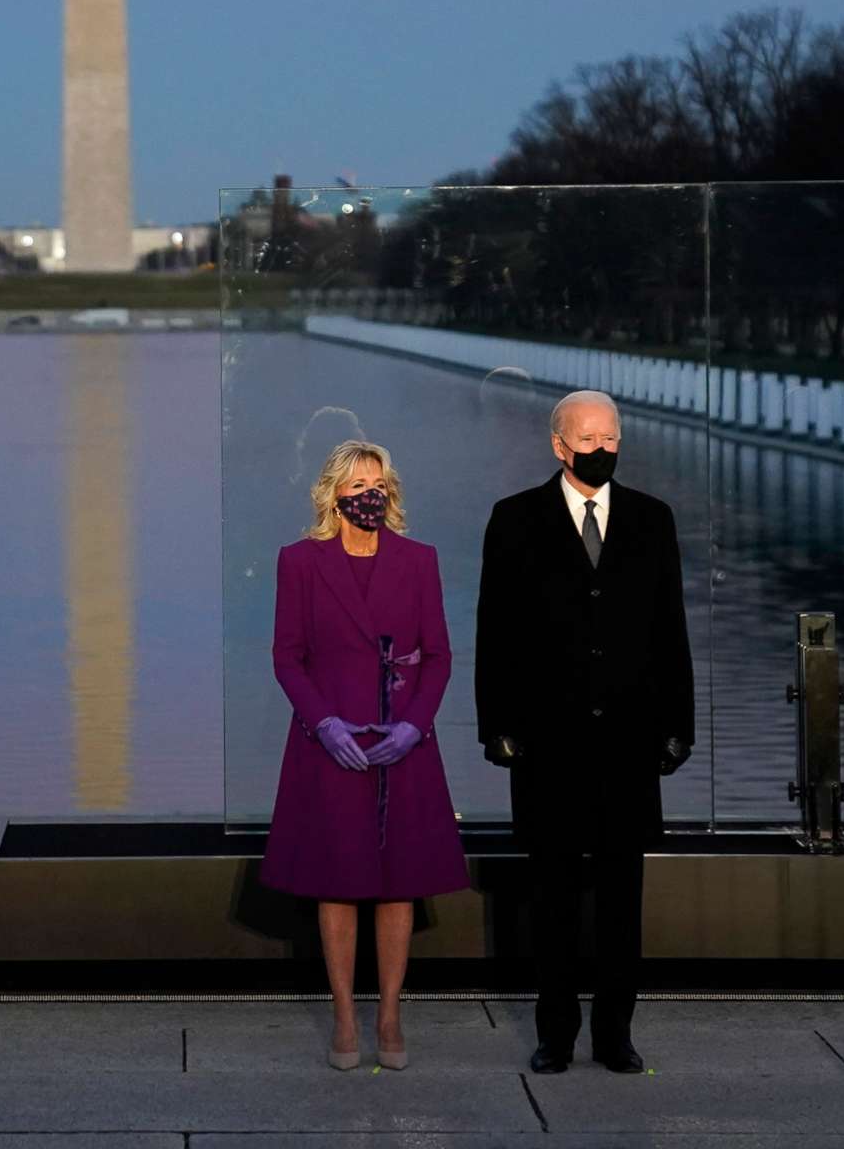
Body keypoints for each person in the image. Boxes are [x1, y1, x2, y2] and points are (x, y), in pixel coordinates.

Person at [475, 389, 693, 1076]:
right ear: (558, 445)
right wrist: (498, 726)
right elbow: (495, 634)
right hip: (548, 745)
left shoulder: (652, 520)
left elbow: (671, 632)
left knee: (622, 903)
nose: (600, 449)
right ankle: (556, 1034)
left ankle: (615, 1035)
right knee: (555, 901)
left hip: (629, 743)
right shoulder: (514, 520)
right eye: (587, 439)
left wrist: (677, 726)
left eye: (610, 438)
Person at [262, 440, 470, 1071]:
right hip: (333, 747)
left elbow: (438, 655)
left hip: (402, 744)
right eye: (356, 484)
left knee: (399, 884)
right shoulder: (299, 562)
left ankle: (391, 1015)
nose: (368, 495)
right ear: (333, 494)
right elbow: (286, 656)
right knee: (337, 881)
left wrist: (414, 726)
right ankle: (346, 1019)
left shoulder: (419, 560)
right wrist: (323, 723)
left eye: (377, 483)